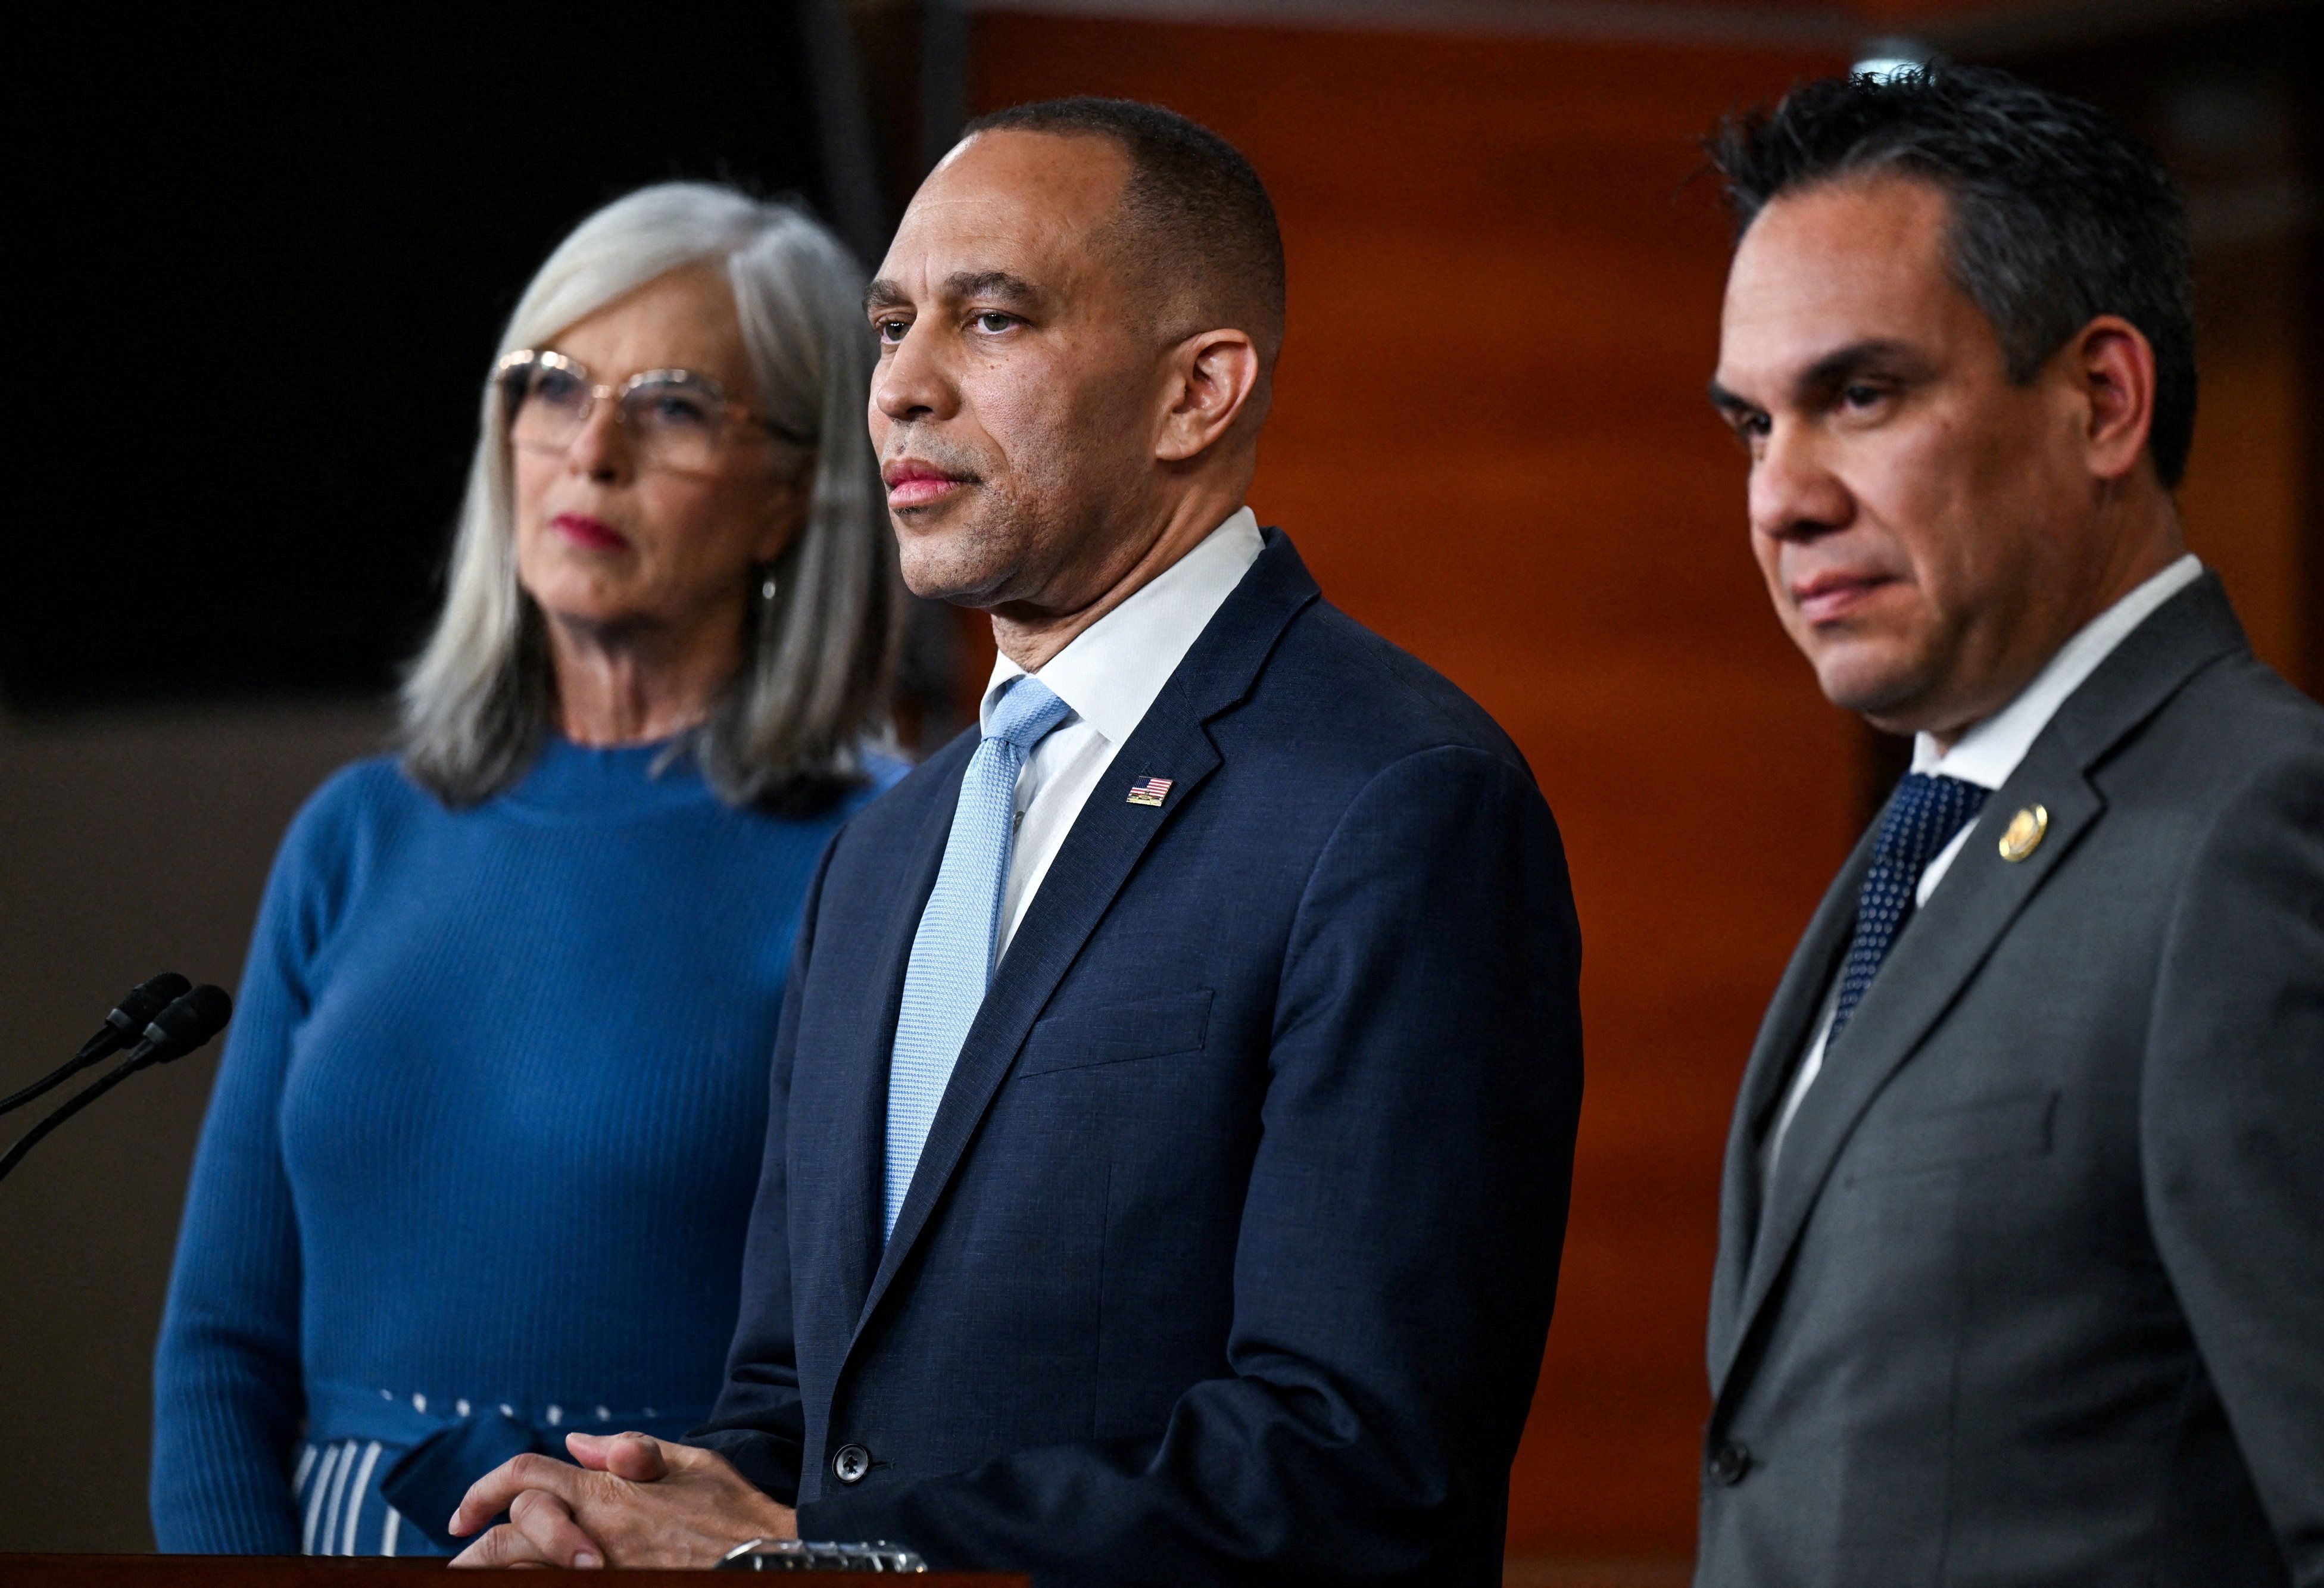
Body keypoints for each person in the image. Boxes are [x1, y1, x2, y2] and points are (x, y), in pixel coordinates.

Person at [446, 98, 1583, 1584]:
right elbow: (796, 1409)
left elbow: (1355, 1457)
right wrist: (633, 1524)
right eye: (891, 324)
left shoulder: (1397, 799)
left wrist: (812, 1554)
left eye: (989, 321)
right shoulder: (888, 845)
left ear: (1198, 392)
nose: (902, 390)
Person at [1696, 64, 2324, 1584]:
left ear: (2099, 400)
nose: (1779, 497)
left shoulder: (2262, 836)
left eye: (1857, 395)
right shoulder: (1929, 834)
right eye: (1751, 424)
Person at [150, 182, 906, 1557]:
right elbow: (218, 1347)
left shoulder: (889, 853)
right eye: (551, 386)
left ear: (793, 493)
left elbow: (898, 1368)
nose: (591, 448)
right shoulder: (357, 830)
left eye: (674, 404)